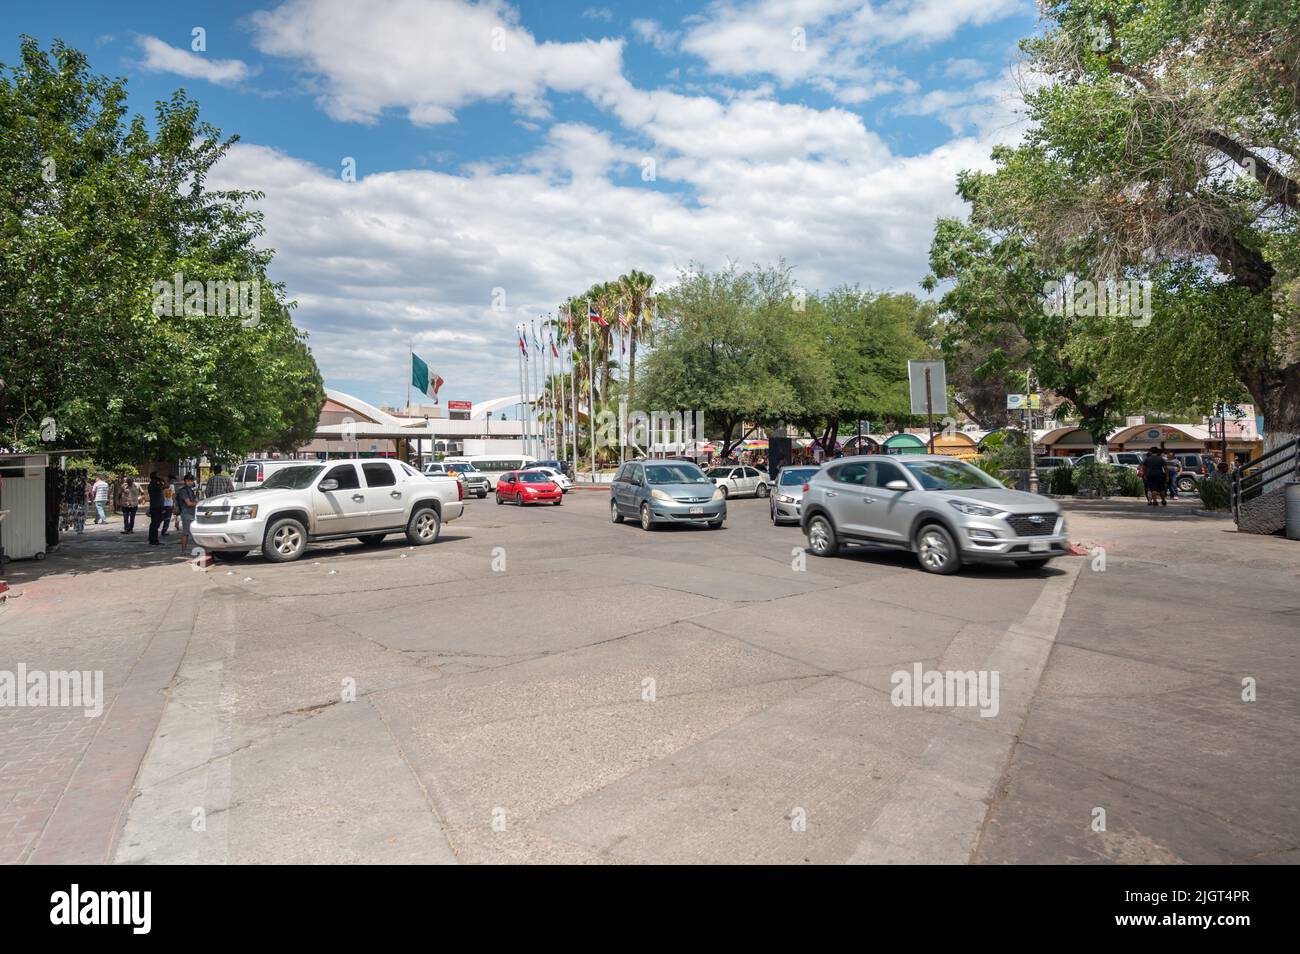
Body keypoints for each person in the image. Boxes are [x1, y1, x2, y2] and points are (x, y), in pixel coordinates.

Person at [176, 473, 199, 553]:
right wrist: (197, 503)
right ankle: (183, 550)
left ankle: (186, 550)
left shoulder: (190, 490)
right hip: (186, 513)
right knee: (186, 533)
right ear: (185, 481)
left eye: (191, 481)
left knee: (191, 533)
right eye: (188, 481)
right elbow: (188, 503)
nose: (190, 482)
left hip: (191, 513)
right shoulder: (183, 491)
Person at [147, 472, 165, 545]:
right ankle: (154, 540)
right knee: (155, 523)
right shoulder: (153, 485)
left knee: (155, 523)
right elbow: (165, 485)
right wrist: (161, 479)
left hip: (157, 506)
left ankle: (152, 538)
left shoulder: (155, 485)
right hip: (156, 507)